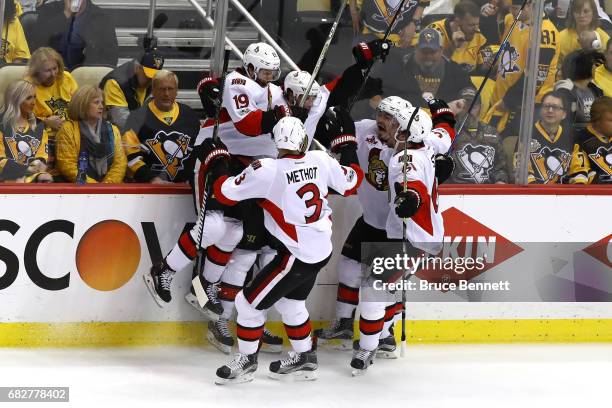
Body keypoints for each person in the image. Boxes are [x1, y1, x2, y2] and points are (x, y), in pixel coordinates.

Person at [207, 116, 363, 384]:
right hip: (319, 248)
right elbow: (352, 182)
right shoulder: (321, 159)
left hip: (295, 255)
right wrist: (347, 145)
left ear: (275, 142)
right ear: (303, 138)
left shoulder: (268, 169)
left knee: (247, 304)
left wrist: (218, 159)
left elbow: (224, 193)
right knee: (290, 304)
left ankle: (246, 361)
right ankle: (305, 358)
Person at [350, 99, 457, 373]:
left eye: (389, 119)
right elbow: (446, 131)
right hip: (420, 235)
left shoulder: (402, 159)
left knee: (373, 288)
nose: (381, 123)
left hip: (412, 239)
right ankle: (382, 337)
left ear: (404, 131)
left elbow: (414, 187)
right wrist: (442, 111)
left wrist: (411, 198)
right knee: (384, 287)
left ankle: (368, 347)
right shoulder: (430, 144)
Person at [483, 0, 560, 136]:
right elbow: (495, 40)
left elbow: (536, 76)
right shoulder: (511, 20)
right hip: (499, 100)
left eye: (516, 8)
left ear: (531, 4)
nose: (513, 12)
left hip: (523, 106)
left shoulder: (545, 32)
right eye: (512, 8)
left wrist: (509, 101)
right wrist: (487, 18)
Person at [122, 70, 200, 183]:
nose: (166, 94)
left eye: (170, 89)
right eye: (162, 89)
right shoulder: (136, 118)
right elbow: (130, 154)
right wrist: (151, 179)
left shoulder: (190, 115)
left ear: (176, 91)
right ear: (153, 90)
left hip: (186, 187)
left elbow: (198, 150)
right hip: (149, 189)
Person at [374, 28, 473, 109]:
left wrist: (465, 101)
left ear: (441, 50)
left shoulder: (454, 70)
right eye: (424, 51)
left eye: (433, 52)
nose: (428, 56)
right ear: (416, 48)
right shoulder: (398, 66)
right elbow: (377, 91)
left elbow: (470, 91)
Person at [55, 85, 126, 183]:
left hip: (109, 190)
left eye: (102, 103)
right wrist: (93, 187)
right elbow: (67, 165)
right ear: (83, 105)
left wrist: (107, 186)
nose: (101, 106)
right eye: (96, 102)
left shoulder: (113, 130)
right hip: (78, 189)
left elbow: (120, 163)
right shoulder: (68, 129)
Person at [25, 47, 78, 172]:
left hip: (71, 134)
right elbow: (21, 120)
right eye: (48, 71)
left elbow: (79, 105)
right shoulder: (27, 86)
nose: (54, 74)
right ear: (36, 72)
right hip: (44, 138)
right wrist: (45, 123)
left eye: (55, 68)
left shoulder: (66, 78)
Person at [31, 0, 118, 70]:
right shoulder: (49, 10)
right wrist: (66, 14)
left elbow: (110, 58)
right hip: (52, 74)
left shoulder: (101, 18)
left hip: (85, 76)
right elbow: (38, 42)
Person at [448, 87, 508, 184]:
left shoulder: (492, 132)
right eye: (465, 106)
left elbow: (500, 168)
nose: (469, 110)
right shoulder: (447, 132)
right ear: (457, 108)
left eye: (473, 106)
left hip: (486, 193)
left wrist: (500, 181)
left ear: (481, 108)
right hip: (455, 192)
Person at [422, 1, 495, 75]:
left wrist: (487, 66)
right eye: (471, 25)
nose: (476, 29)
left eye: (477, 24)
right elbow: (426, 67)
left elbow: (482, 70)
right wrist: (452, 46)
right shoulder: (432, 32)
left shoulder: (478, 35)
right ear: (457, 22)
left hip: (469, 83)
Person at [100, 49, 165, 129]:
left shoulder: (148, 81)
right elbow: (121, 120)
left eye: (155, 76)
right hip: (112, 132)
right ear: (137, 68)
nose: (150, 81)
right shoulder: (115, 82)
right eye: (148, 76)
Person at [521, 91, 574, 184]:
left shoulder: (571, 136)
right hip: (535, 193)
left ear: (564, 114)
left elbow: (578, 169)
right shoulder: (527, 134)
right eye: (546, 106)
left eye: (555, 107)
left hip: (565, 194)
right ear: (540, 110)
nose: (550, 110)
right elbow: (521, 168)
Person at [0, 80, 48, 178]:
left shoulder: (39, 126)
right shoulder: (1, 124)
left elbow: (42, 157)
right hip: (4, 177)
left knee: (45, 178)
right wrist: (24, 170)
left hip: (30, 176)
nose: (34, 102)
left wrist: (35, 168)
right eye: (28, 98)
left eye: (35, 97)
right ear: (15, 100)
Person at [555, 49, 605, 131]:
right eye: (596, 65)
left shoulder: (597, 91)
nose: (599, 69)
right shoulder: (564, 91)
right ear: (583, 65)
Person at [349, 0, 430, 48]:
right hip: (370, 33)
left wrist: (413, 23)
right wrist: (353, 10)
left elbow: (423, 2)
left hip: (402, 40)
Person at [568, 96, 612, 184]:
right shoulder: (581, 140)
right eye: (611, 120)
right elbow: (579, 177)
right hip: (596, 195)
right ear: (596, 121)